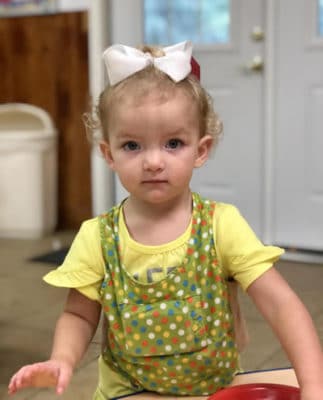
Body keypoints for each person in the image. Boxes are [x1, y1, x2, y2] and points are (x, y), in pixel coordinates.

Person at [8, 41, 323, 400]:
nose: (154, 161)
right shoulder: (97, 237)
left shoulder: (221, 226)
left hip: (212, 393)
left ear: (200, 150)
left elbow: (282, 306)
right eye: (132, 146)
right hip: (126, 393)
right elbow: (79, 316)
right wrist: (62, 359)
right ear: (109, 154)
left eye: (173, 143)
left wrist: (313, 385)